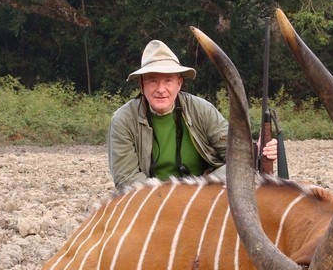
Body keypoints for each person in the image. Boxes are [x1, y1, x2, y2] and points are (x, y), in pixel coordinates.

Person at [107, 40, 277, 191]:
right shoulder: (123, 120)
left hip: (203, 196)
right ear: (141, 84)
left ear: (179, 83)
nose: (160, 89)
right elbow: (126, 180)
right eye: (152, 80)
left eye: (168, 80)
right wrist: (176, 199)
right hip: (152, 204)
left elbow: (237, 157)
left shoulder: (202, 110)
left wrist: (257, 151)